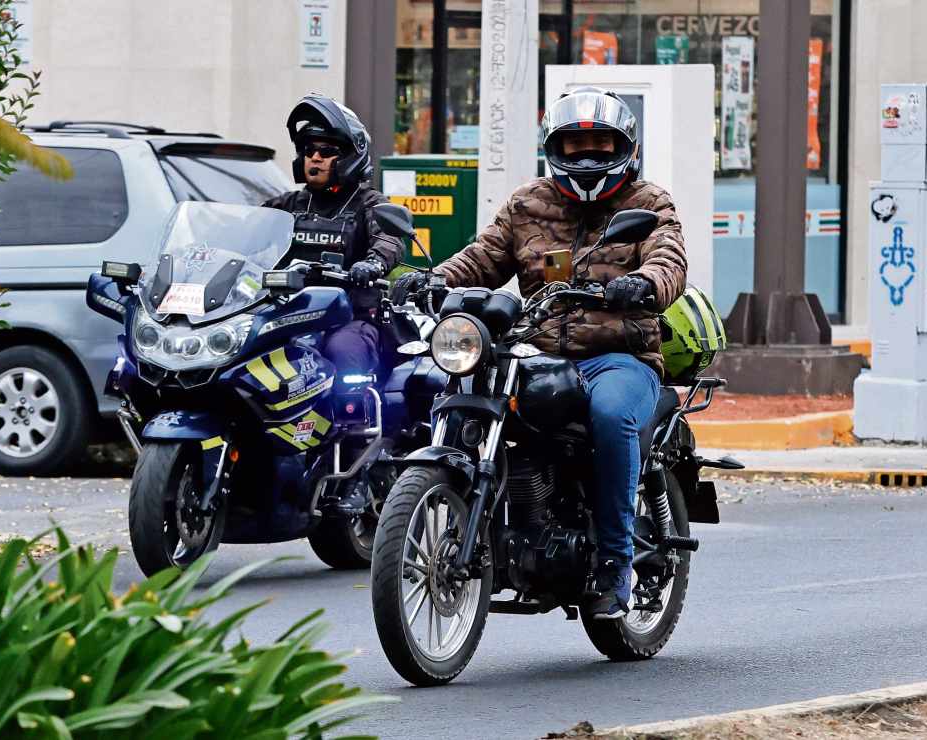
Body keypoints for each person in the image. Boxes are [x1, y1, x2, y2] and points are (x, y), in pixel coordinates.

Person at [395, 88, 687, 619]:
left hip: (619, 356)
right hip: (539, 350)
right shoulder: (528, 203)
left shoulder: (648, 203)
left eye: (601, 145)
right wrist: (431, 278)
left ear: (626, 147)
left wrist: (643, 285)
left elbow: (668, 260)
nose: (587, 157)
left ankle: (616, 563)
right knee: (472, 393)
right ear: (555, 148)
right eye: (574, 146)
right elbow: (482, 258)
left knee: (610, 414)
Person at [263, 94, 401, 513]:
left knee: (344, 359)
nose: (315, 159)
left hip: (351, 320)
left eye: (327, 151)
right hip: (289, 318)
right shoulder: (287, 206)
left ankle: (358, 473)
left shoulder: (368, 204)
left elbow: (390, 238)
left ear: (350, 156)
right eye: (309, 151)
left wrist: (374, 262)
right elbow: (248, 237)